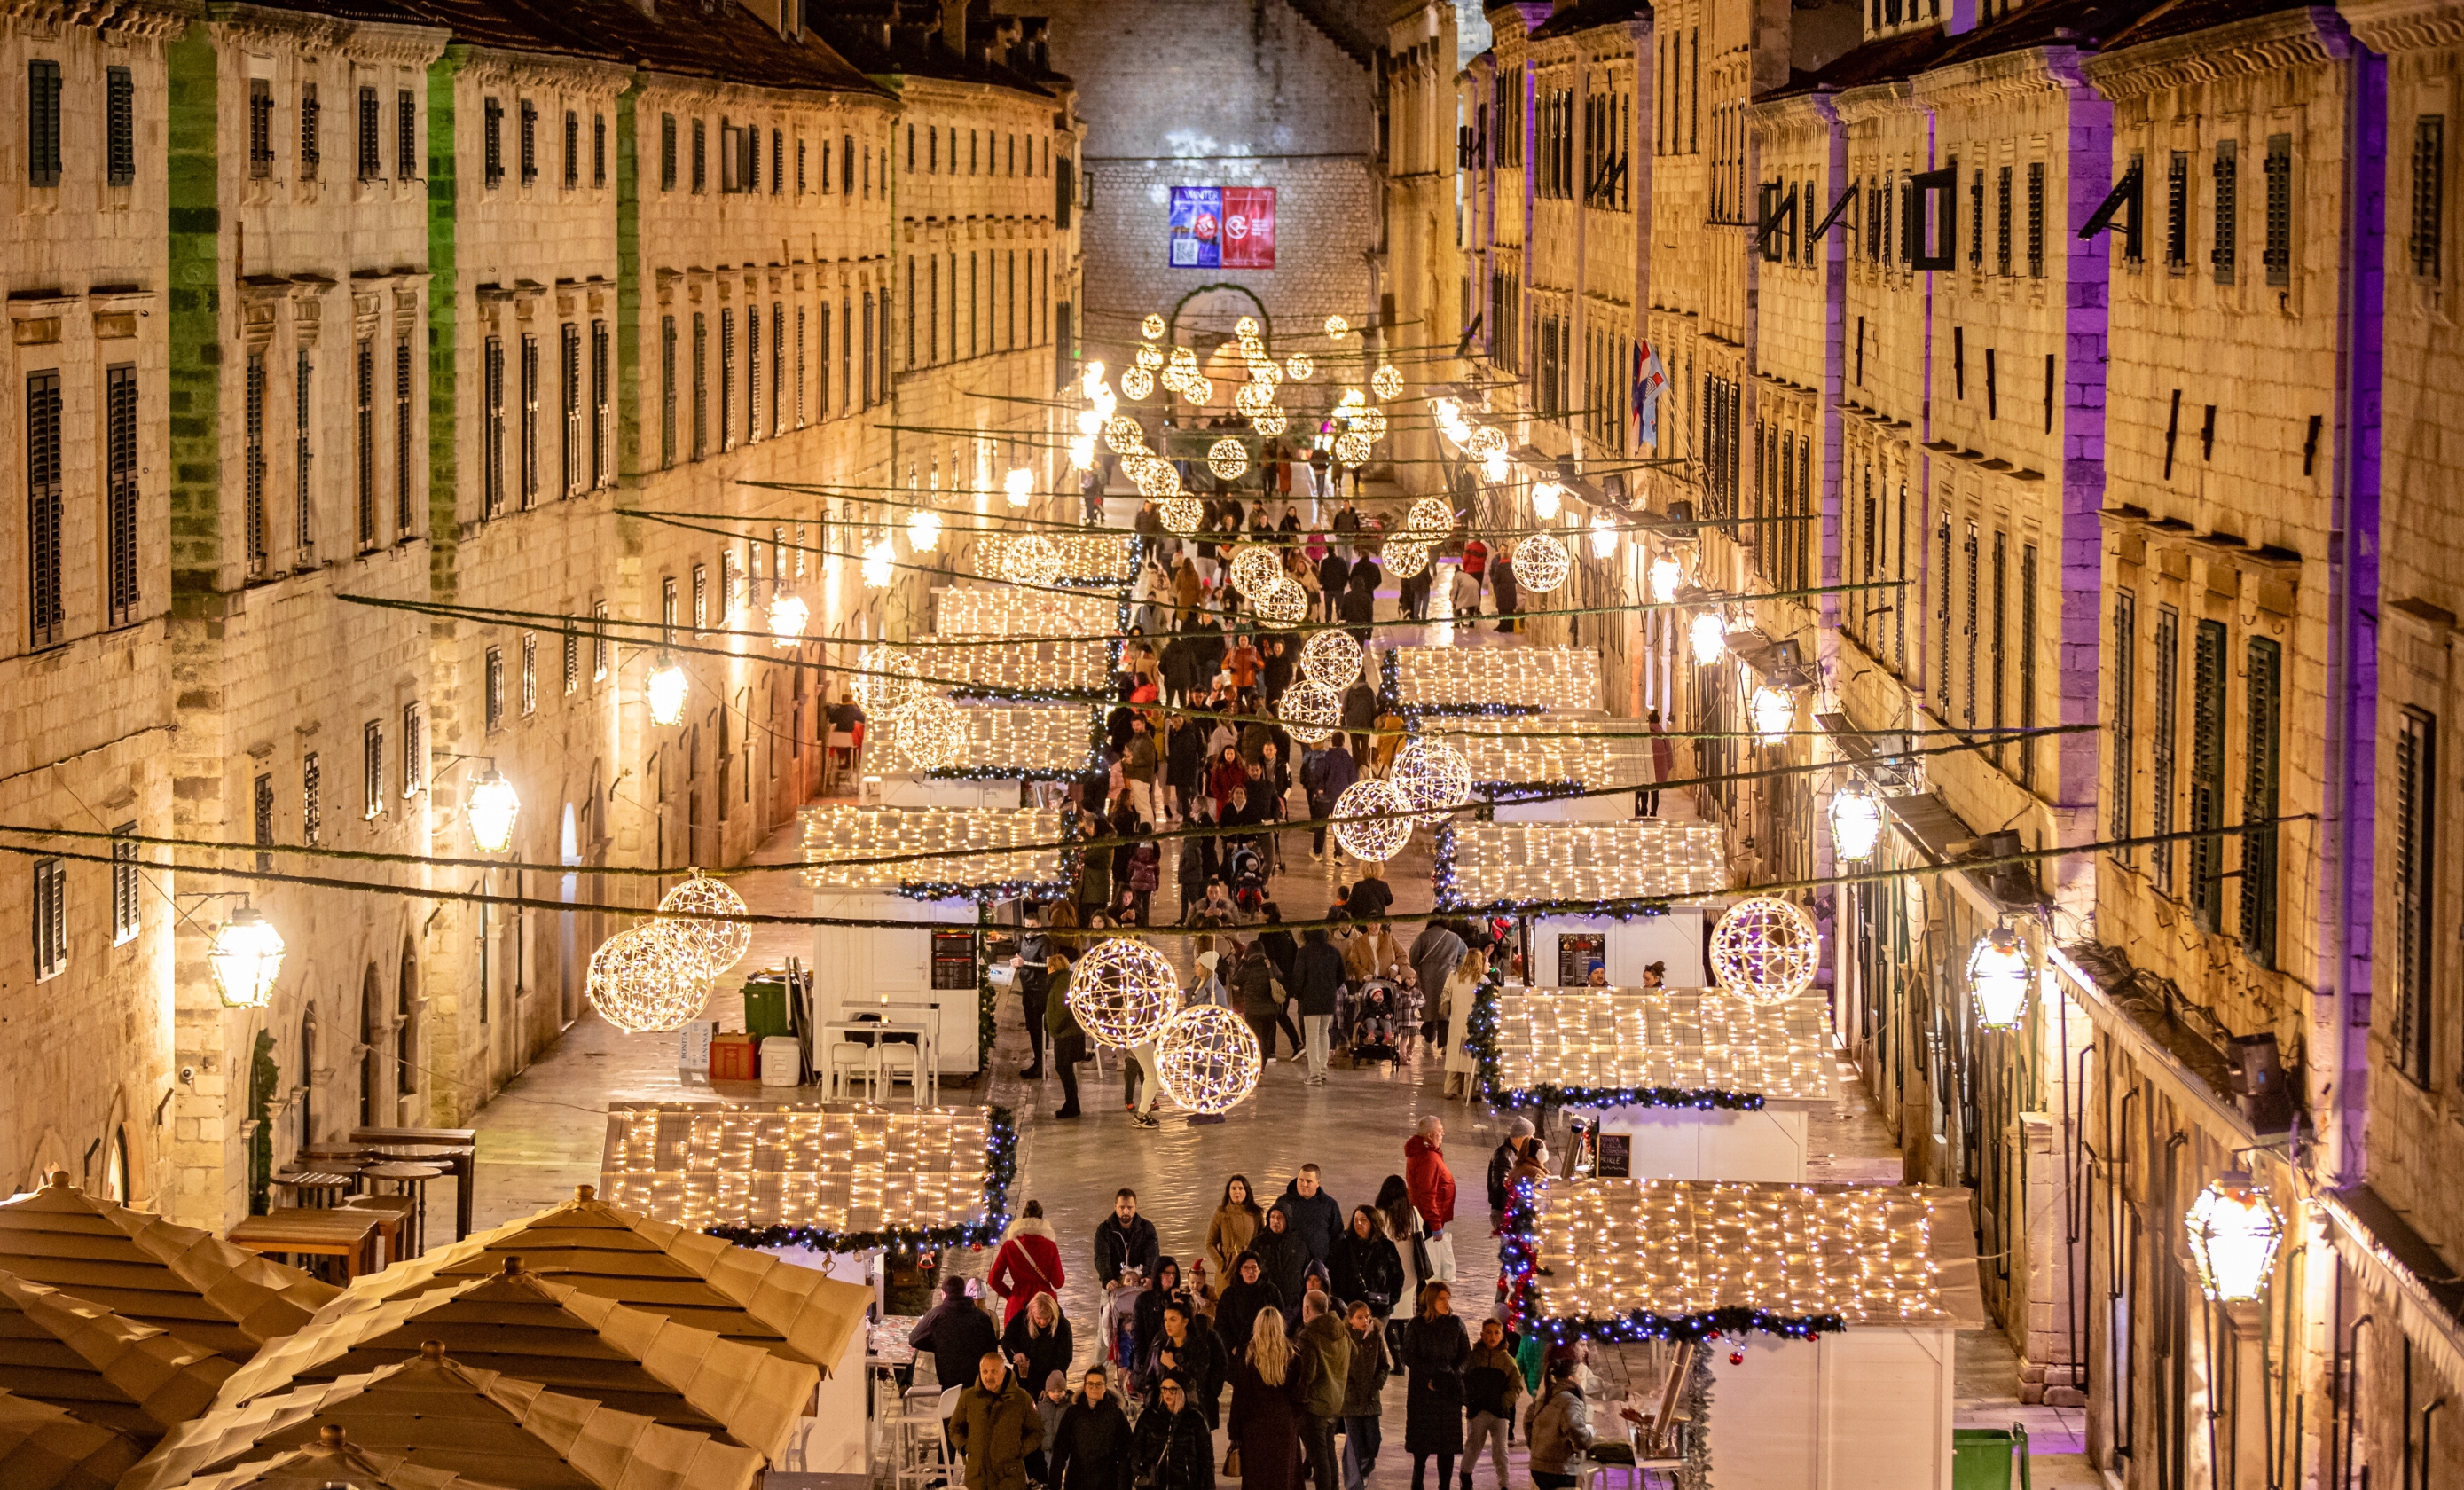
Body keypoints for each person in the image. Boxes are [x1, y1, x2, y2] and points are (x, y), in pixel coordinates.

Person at [1397, 1283, 1471, 1490]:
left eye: (1448, 1299)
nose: (1447, 1303)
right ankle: (1417, 1483)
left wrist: (1453, 1374)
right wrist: (1431, 1372)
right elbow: (1408, 1355)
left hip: (1448, 1393)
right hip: (1424, 1393)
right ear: (1431, 1301)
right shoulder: (1417, 1325)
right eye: (1442, 1299)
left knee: (1446, 1447)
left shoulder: (1456, 1324)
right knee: (1422, 1446)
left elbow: (1466, 1354)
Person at [1228, 1306, 1308, 1490]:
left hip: (1254, 1425)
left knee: (1257, 1477)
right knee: (1283, 1477)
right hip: (1283, 1424)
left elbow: (1240, 1397)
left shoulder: (1247, 1355)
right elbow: (1300, 1392)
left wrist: (1235, 1432)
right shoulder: (1293, 1355)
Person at [953, 1350, 1045, 1490]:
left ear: (1004, 1372)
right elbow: (954, 1428)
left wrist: (1020, 1449)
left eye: (994, 1372)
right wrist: (965, 1446)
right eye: (985, 1372)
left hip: (1009, 1478)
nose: (988, 1376)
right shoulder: (969, 1397)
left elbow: (1037, 1431)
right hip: (978, 1478)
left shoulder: (1021, 1398)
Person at [1294, 1293, 1354, 1490]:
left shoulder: (1309, 1335)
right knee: (1328, 1457)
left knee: (1320, 1461)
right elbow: (1354, 1354)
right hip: (1335, 1403)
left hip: (1314, 1407)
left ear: (1306, 1309)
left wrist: (1298, 1400)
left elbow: (1307, 1375)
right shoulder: (1342, 1331)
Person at [1141, 1298, 1229, 1427]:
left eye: (1173, 1320)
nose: (1167, 1324)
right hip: (1163, 1413)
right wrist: (1152, 1406)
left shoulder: (1198, 1347)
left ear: (1185, 1322)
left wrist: (1172, 1366)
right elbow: (1149, 1379)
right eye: (1165, 1319)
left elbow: (1196, 1380)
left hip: (1193, 1413)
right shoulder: (1159, 1346)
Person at [1462, 1317, 1526, 1490]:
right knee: (1474, 1445)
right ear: (1482, 1335)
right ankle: (1465, 1475)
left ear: (1502, 1335)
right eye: (1488, 1333)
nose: (1492, 1336)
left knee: (1500, 1450)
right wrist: (1469, 1399)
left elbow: (1516, 1386)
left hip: (1499, 1412)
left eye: (1496, 1333)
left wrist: (1505, 1402)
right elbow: (1464, 1379)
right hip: (1478, 1410)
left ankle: (1504, 1484)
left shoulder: (1507, 1361)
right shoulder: (1473, 1358)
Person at [1048, 1368, 1134, 1490]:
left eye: (1099, 1384)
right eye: (1090, 1384)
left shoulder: (1115, 1414)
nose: (1095, 1388)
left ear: (1105, 1387)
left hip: (1107, 1482)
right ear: (1084, 1387)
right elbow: (1060, 1450)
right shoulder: (1073, 1413)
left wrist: (1123, 1485)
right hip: (1077, 1481)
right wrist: (1054, 1484)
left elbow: (1125, 1452)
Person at [912, 1276, 1001, 1392]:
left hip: (949, 1386)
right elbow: (992, 1349)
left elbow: (914, 1339)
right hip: (978, 1384)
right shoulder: (982, 1317)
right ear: (963, 1292)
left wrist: (938, 1345)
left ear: (943, 1294)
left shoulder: (936, 1314)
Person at [1338, 1299, 1392, 1490]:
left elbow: (1385, 1366)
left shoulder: (1375, 1337)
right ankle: (1355, 1482)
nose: (1365, 1320)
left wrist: (1377, 1384)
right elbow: (1341, 1369)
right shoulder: (1345, 1338)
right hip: (1352, 1401)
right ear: (1350, 1320)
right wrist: (1349, 1390)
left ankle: (1366, 1466)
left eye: (1367, 1316)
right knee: (1354, 1444)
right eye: (1359, 1317)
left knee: (1373, 1440)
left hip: (1371, 1399)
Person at [1128, 1375, 1216, 1490]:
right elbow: (1136, 1447)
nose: (1167, 1393)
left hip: (1185, 1484)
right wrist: (1138, 1469)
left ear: (1181, 1391)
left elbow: (1206, 1459)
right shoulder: (1149, 1416)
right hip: (1154, 1484)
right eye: (1164, 1388)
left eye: (1172, 1389)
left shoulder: (1195, 1419)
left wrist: (1208, 1485)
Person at [990, 1200, 1067, 1326]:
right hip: (1044, 1307)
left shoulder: (1010, 1246)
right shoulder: (1050, 1246)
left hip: (1018, 1306)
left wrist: (1011, 1295)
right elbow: (1058, 1283)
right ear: (1041, 1221)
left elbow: (993, 1279)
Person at [1404, 1118, 1459, 1283]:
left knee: (1426, 1266)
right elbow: (1428, 1194)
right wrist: (1436, 1226)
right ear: (1430, 1134)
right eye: (1440, 1132)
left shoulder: (1423, 1152)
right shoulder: (1428, 1157)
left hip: (1426, 1216)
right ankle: (1426, 1302)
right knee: (1428, 1268)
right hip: (1429, 1220)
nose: (1443, 1135)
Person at [1328, 1205, 1404, 1322]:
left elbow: (1397, 1275)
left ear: (1373, 1223)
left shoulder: (1385, 1246)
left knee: (1374, 1339)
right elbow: (1334, 1273)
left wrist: (1391, 1299)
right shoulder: (1343, 1246)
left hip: (1378, 1308)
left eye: (1363, 1220)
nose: (1358, 1223)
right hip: (1349, 1308)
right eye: (1355, 1219)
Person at [1293, 929, 1346, 1084]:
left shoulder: (1304, 952)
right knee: (1324, 1032)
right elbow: (1341, 975)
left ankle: (1314, 1074)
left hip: (1310, 999)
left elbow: (1298, 976)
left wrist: (1298, 993)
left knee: (1312, 1036)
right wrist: (1331, 987)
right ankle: (1323, 1070)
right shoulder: (1334, 951)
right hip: (1328, 998)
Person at [1438, 949, 1487, 1099]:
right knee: (1470, 1058)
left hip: (1456, 1022)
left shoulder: (1453, 976)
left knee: (1455, 1056)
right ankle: (1469, 1092)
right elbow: (1488, 1003)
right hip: (1474, 1025)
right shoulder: (1482, 980)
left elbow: (1445, 994)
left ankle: (1450, 1089)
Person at [1215, 1251, 1284, 1358]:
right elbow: (1221, 1323)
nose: (1250, 1272)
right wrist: (1231, 1346)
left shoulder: (1270, 1291)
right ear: (1240, 1271)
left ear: (1260, 1270)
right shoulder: (1229, 1294)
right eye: (1246, 1268)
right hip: (1236, 1352)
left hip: (1265, 1351)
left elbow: (1279, 1319)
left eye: (1254, 1268)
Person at [1004, 1291, 1076, 1392]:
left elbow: (1065, 1356)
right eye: (1038, 1318)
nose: (1042, 1322)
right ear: (1032, 1313)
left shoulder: (1062, 1326)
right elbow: (1007, 1340)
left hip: (1050, 1380)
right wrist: (1015, 1354)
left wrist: (1052, 1383)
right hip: (1025, 1379)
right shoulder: (1021, 1319)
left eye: (1047, 1318)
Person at [1206, 1176, 1265, 1298]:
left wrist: (1259, 1264)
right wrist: (1221, 1263)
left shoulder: (1256, 1214)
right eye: (1233, 1188)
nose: (1236, 1192)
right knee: (1226, 1302)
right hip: (1228, 1267)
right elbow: (1210, 1243)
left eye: (1240, 1188)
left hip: (1249, 1267)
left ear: (1247, 1191)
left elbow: (1262, 1241)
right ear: (1228, 1191)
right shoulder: (1221, 1213)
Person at [1278, 1165, 1344, 1273]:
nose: (1304, 1184)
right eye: (1301, 1180)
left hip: (1319, 1268)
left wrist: (1330, 1263)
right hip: (1289, 1266)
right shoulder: (1284, 1202)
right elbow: (1274, 1231)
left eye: (1309, 1181)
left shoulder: (1329, 1205)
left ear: (1318, 1183)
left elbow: (1338, 1237)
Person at [1249, 1202, 1312, 1314]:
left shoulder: (1299, 1244)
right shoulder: (1258, 1243)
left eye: (1280, 1217)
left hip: (1292, 1304)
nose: (1275, 1221)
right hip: (1265, 1303)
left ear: (1288, 1220)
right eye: (1272, 1217)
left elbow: (1306, 1272)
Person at [1134, 1258, 1197, 1366]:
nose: (1171, 1277)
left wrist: (1177, 1304)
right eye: (1166, 1273)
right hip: (1151, 1356)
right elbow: (1138, 1333)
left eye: (1174, 1273)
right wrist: (1142, 1361)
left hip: (1176, 1357)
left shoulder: (1182, 1298)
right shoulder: (1144, 1300)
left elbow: (1190, 1327)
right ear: (1158, 1274)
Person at [1095, 1190, 1162, 1290]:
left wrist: (1149, 1276)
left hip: (1140, 1284)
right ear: (1115, 1207)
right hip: (1113, 1285)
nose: (1126, 1211)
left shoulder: (1147, 1228)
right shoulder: (1104, 1229)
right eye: (1122, 1207)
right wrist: (1107, 1279)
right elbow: (1101, 1256)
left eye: (1129, 1208)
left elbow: (1153, 1255)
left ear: (1135, 1207)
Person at [1046, 954, 1085, 1119]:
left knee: (1064, 1068)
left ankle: (1072, 1105)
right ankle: (1071, 1104)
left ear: (1053, 968)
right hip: (1069, 1032)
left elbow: (1063, 1008)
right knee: (1064, 1068)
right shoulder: (1065, 979)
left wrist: (1054, 1026)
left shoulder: (1062, 981)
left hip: (1066, 1033)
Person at [1485, 1117, 1538, 1229]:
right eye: (1530, 1136)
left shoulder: (1514, 1153)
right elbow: (1500, 1187)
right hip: (1503, 1212)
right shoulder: (1504, 1156)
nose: (1532, 1139)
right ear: (1522, 1138)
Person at [1641, 710, 1671, 817]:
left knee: (1644, 790)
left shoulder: (1644, 734)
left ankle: (1643, 809)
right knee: (1655, 793)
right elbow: (1669, 753)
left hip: (1645, 768)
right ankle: (1653, 812)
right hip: (1659, 768)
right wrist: (1669, 766)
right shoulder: (1663, 735)